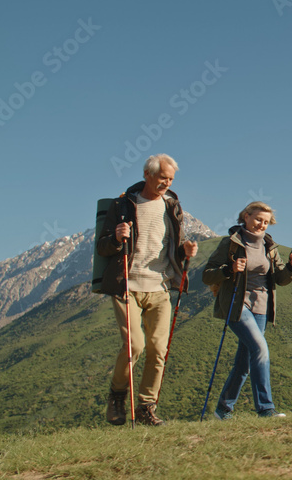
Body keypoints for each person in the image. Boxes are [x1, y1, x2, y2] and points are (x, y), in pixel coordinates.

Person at [96, 154, 197, 426]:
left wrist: (186, 250)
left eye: (171, 179)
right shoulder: (123, 205)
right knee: (134, 346)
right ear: (147, 175)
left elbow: (175, 244)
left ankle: (146, 407)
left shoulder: (172, 207)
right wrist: (117, 238)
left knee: (157, 348)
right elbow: (102, 247)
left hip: (160, 286)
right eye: (162, 177)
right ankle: (117, 396)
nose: (166, 183)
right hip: (126, 284)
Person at [202, 201, 292, 419]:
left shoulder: (269, 246)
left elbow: (280, 279)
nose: (262, 225)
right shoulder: (231, 243)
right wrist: (228, 269)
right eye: (258, 219)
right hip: (237, 305)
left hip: (262, 307)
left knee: (244, 363)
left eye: (266, 222)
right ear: (245, 216)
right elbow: (207, 274)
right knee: (261, 349)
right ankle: (265, 408)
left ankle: (222, 410)